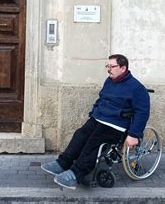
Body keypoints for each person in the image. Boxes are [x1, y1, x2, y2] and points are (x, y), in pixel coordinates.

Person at [41, 54, 150, 189]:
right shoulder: (109, 81)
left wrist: (134, 135)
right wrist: (94, 112)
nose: (108, 69)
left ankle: (76, 173)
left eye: (112, 66)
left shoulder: (136, 88)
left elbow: (142, 112)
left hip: (116, 125)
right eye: (107, 66)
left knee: (94, 142)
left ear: (123, 68)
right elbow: (101, 98)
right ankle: (62, 163)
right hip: (99, 117)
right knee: (80, 134)